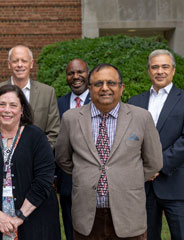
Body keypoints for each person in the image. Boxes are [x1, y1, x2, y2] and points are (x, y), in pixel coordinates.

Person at [55, 63, 163, 239]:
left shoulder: (141, 117)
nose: (105, 88)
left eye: (111, 83)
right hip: (87, 216)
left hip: (128, 214)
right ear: (90, 88)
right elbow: (62, 157)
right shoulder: (71, 119)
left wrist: (127, 178)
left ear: (121, 88)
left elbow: (154, 161)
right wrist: (84, 174)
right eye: (98, 84)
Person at [0, 84, 61, 240]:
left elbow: (43, 180)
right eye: (2, 104)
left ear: (22, 110)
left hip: (36, 216)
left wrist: (19, 218)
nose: (7, 110)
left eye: (13, 105)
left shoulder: (36, 137)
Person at [128, 49, 184, 240]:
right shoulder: (135, 102)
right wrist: (144, 166)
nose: (160, 71)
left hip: (176, 183)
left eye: (165, 66)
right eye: (155, 67)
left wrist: (158, 165)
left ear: (173, 70)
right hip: (144, 185)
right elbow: (130, 138)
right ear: (149, 71)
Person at [0, 45, 60, 149]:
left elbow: (54, 131)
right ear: (9, 64)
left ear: (31, 64)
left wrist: (39, 153)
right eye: (15, 61)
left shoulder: (47, 93)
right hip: (3, 158)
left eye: (24, 61)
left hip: (37, 159)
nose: (20, 65)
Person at [56, 59, 90, 240]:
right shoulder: (58, 104)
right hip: (67, 180)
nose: (76, 77)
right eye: (71, 73)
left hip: (95, 181)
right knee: (71, 230)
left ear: (88, 74)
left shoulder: (100, 100)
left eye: (80, 72)